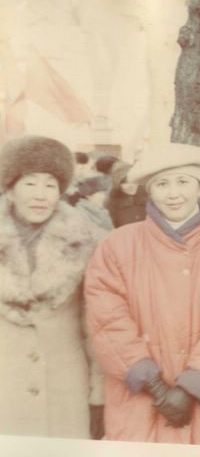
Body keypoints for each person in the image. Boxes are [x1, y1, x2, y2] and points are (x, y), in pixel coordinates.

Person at [84, 143, 200, 444]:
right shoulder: (116, 247)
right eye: (162, 184)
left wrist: (191, 388)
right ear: (149, 191)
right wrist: (153, 384)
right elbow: (108, 322)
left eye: (183, 182)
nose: (173, 193)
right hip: (137, 401)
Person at [0, 136, 105, 439]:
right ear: (10, 188)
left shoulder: (86, 241)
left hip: (65, 391)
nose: (40, 195)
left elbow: (96, 324)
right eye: (30, 183)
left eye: (50, 185)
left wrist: (99, 394)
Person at [105, 161, 147, 228]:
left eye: (134, 181)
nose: (131, 185)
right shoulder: (111, 204)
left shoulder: (148, 195)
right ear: (118, 184)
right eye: (125, 182)